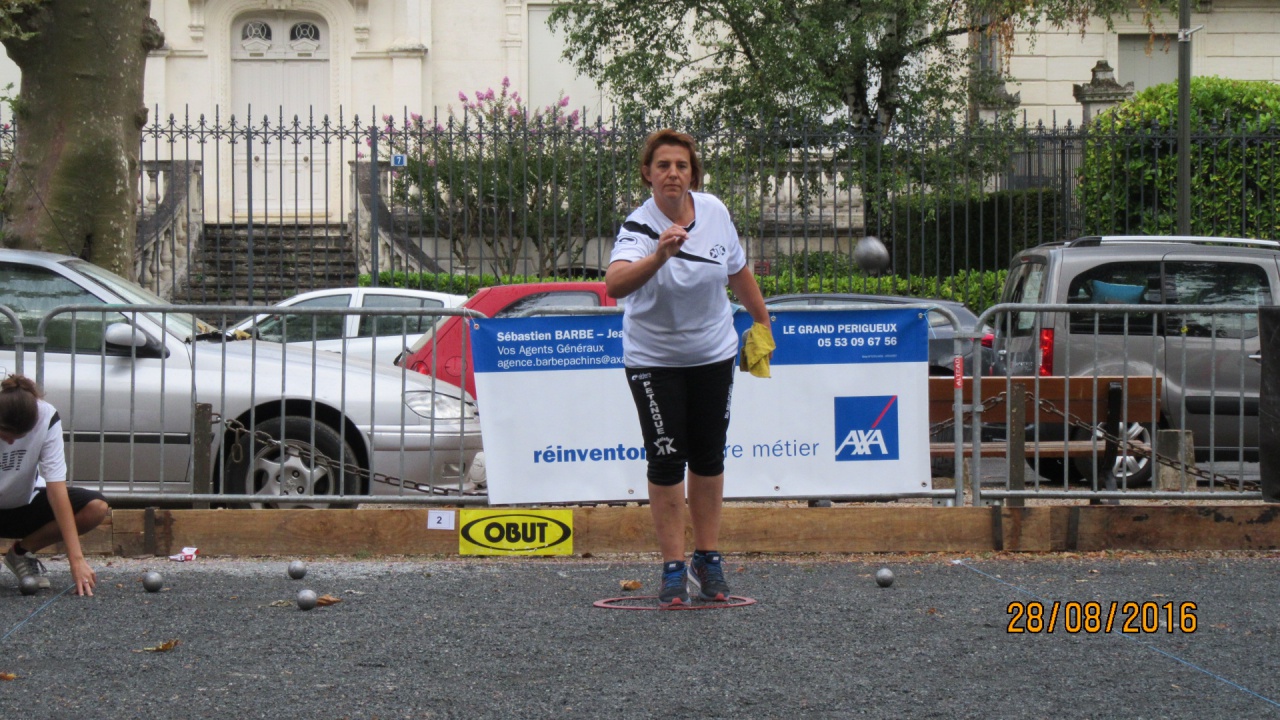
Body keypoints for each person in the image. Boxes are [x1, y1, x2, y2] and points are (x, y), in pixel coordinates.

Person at [606, 129, 771, 608]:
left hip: (712, 353)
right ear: (647, 174)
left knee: (708, 456)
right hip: (654, 359)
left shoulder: (715, 212)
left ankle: (707, 558)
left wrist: (762, 323)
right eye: (663, 166)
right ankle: (673, 566)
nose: (673, 173)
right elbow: (615, 284)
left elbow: (737, 271)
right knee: (665, 458)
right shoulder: (639, 226)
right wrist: (660, 254)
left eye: (681, 165)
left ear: (692, 173)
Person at [0, 374, 108, 595]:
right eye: (5, 433)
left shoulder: (46, 416)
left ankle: (20, 553)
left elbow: (56, 491)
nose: (11, 441)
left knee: (96, 507)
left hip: (23, 507)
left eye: (20, 436)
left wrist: (76, 559)